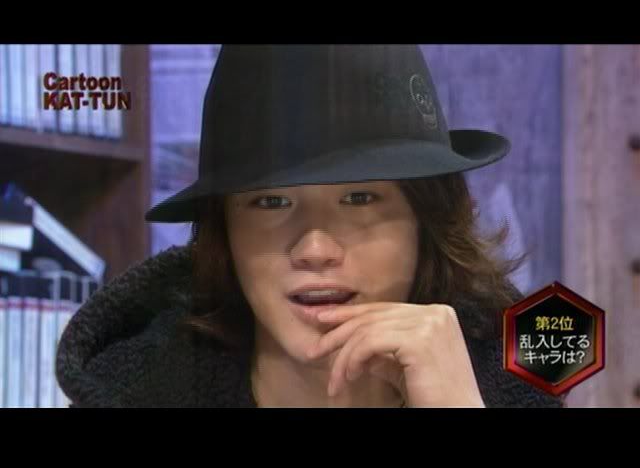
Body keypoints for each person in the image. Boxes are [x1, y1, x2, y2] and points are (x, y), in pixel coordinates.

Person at [56, 45, 564, 408]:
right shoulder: (144, 387)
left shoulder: (517, 372)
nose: (316, 248)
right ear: (223, 234)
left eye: (359, 198)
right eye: (271, 202)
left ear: (426, 222)